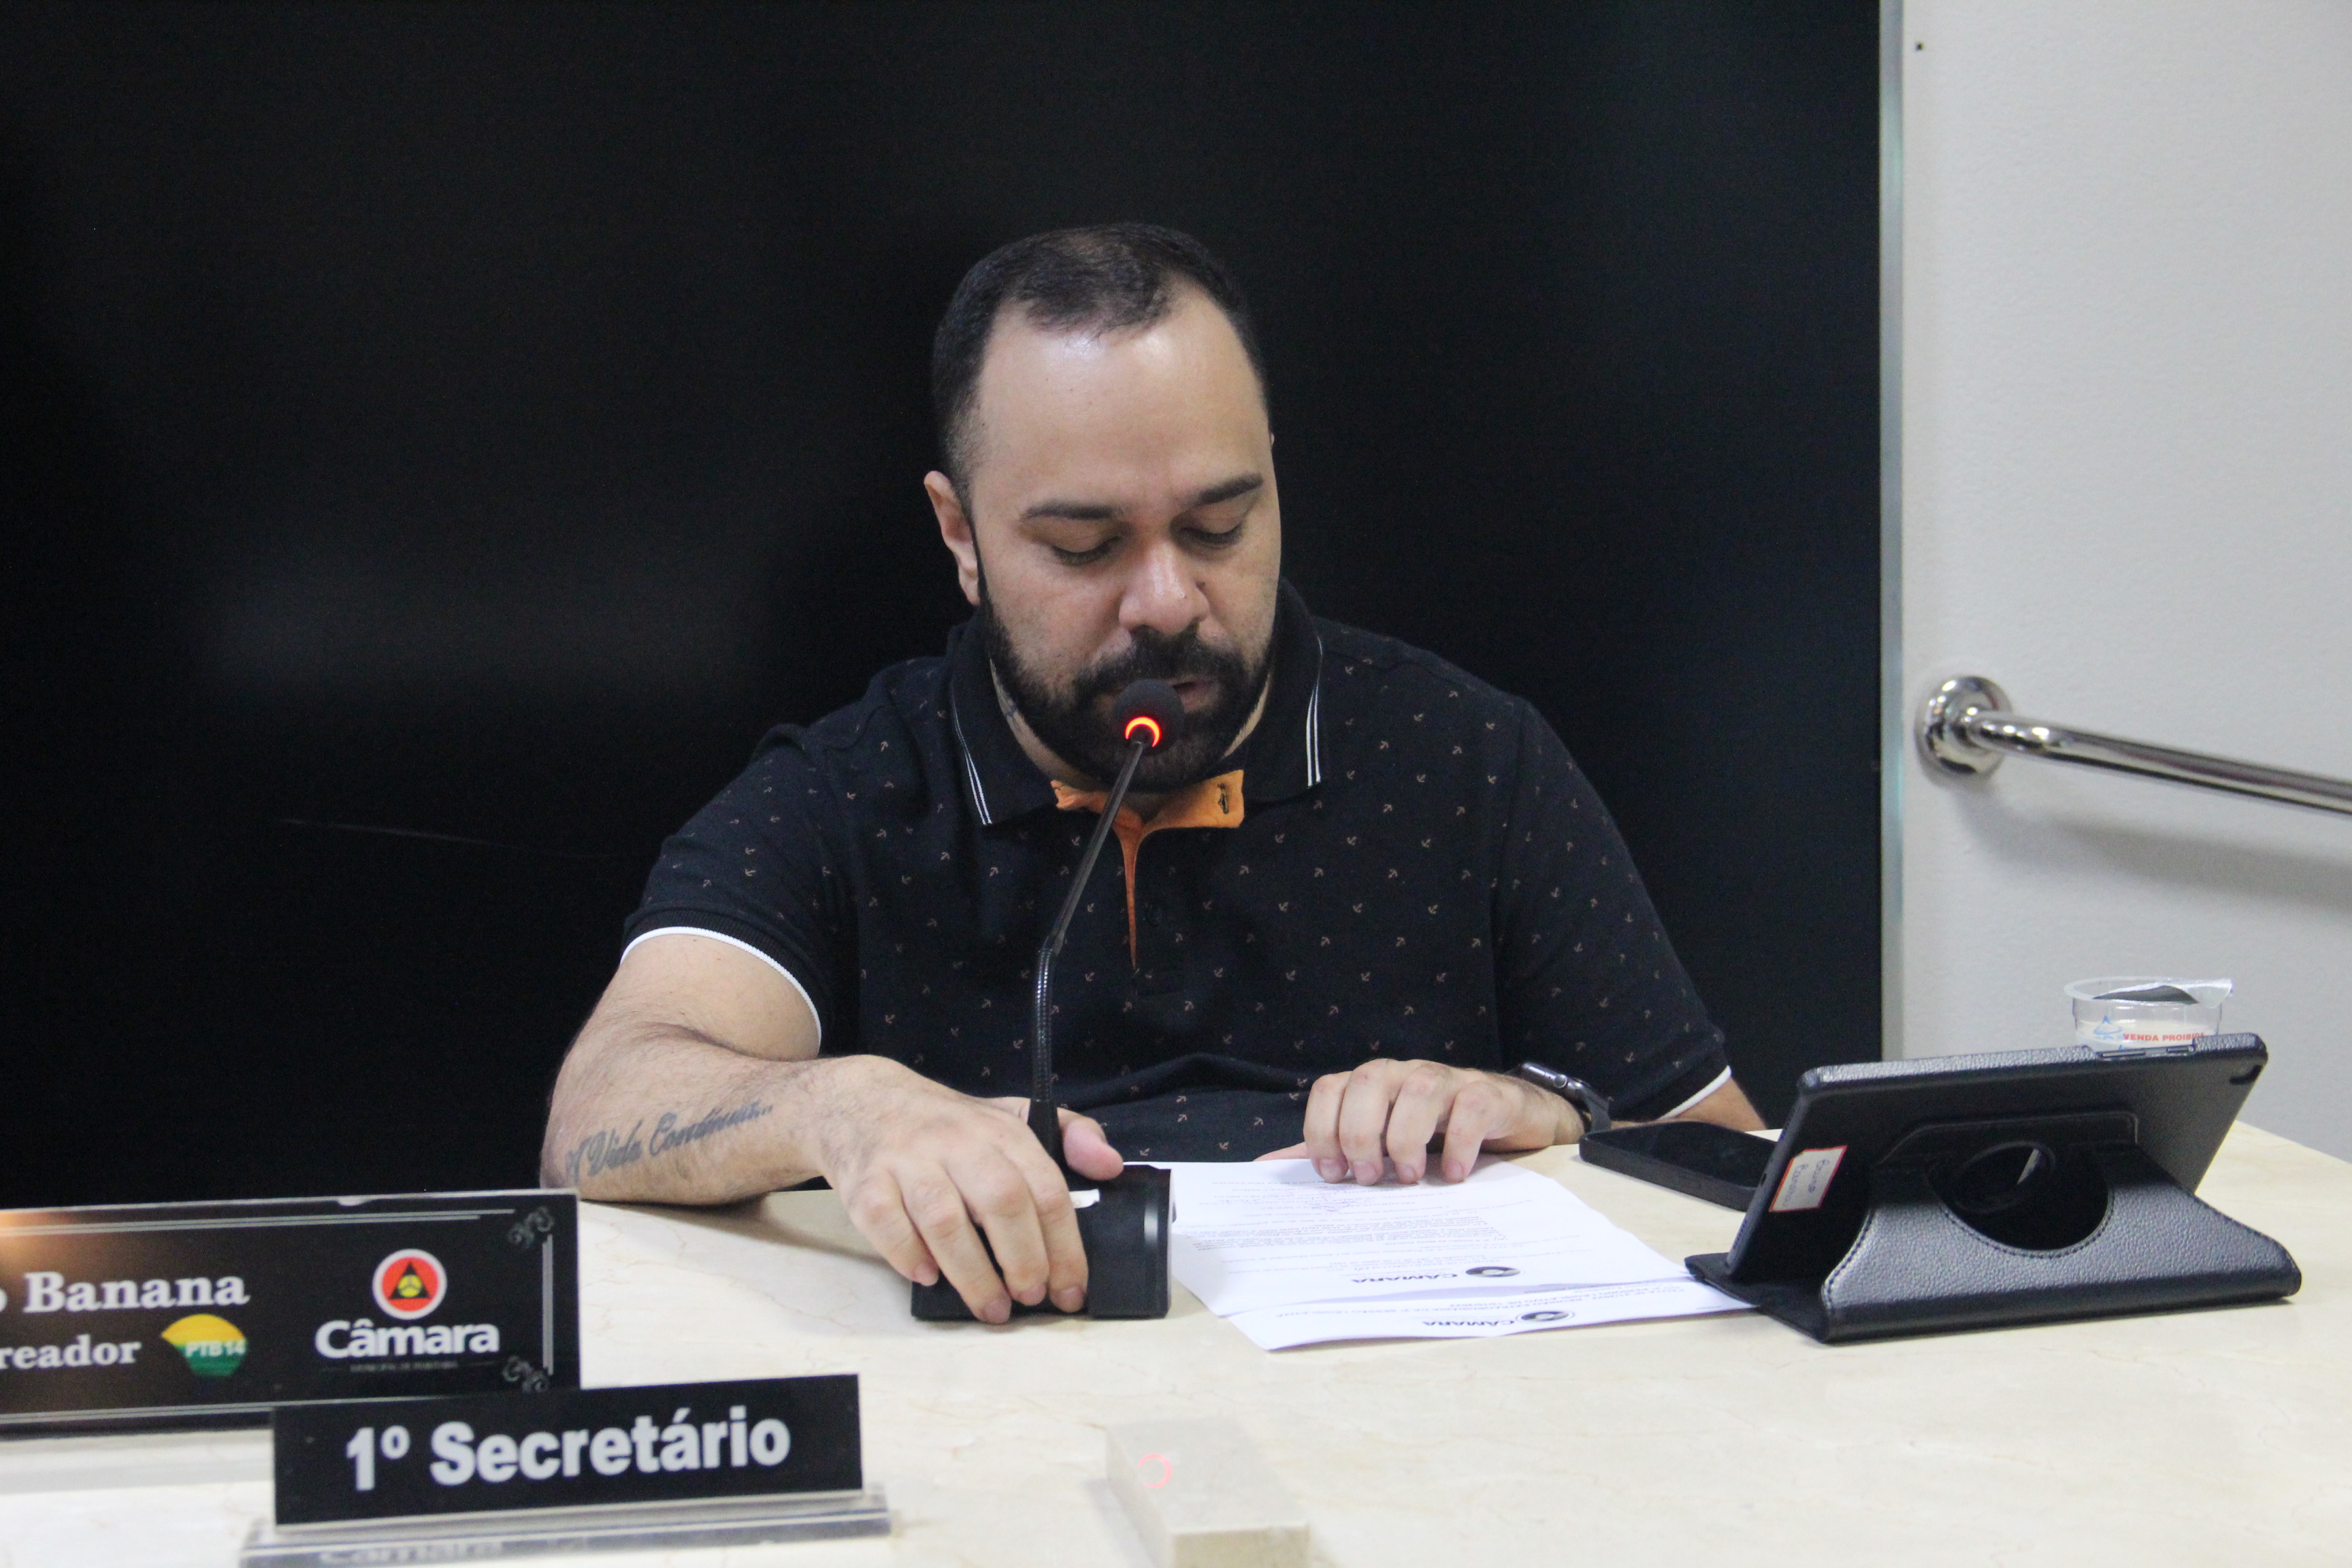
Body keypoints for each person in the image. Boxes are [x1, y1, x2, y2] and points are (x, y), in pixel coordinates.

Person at [541, 224, 1762, 1322]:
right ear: (961, 535)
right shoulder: (848, 791)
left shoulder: (1465, 757)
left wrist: (1552, 1114)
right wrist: (840, 1110)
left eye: (1219, 526)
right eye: (1086, 547)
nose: (1169, 602)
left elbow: (1726, 1159)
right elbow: (597, 1116)